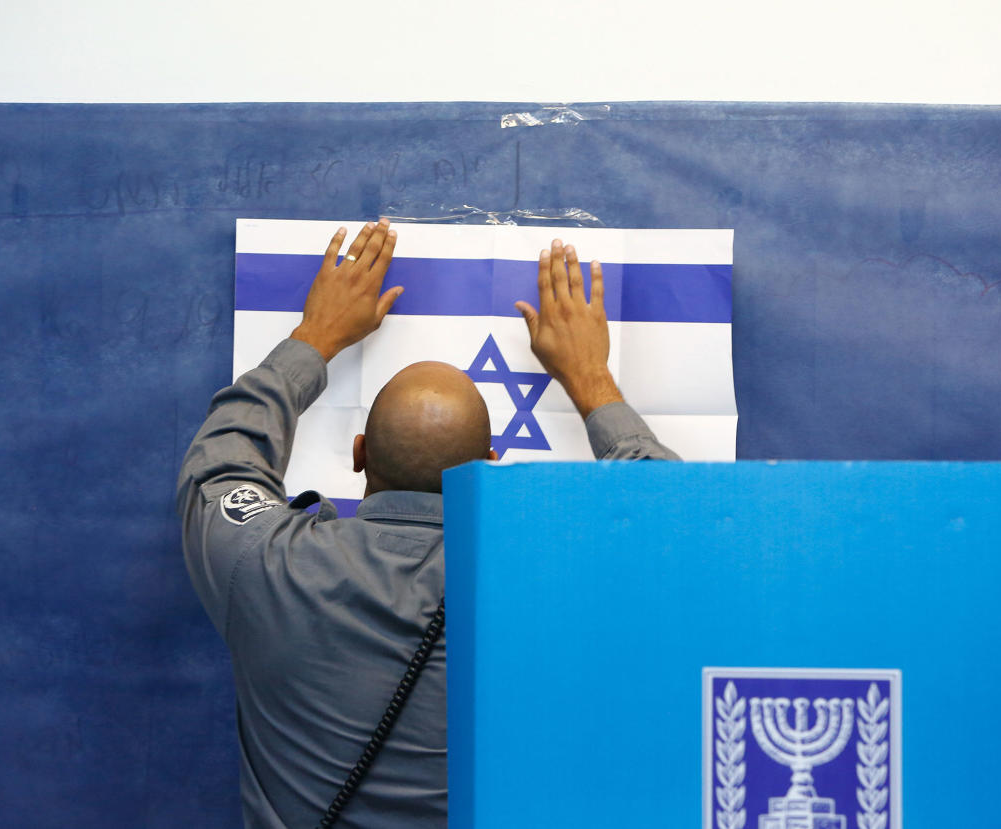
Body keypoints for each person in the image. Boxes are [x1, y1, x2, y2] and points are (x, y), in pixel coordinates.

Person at [176, 218, 679, 829]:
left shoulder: (265, 566)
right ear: (490, 469)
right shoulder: (558, 586)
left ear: (359, 454)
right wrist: (590, 377)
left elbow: (223, 458)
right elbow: (674, 517)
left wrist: (314, 338)